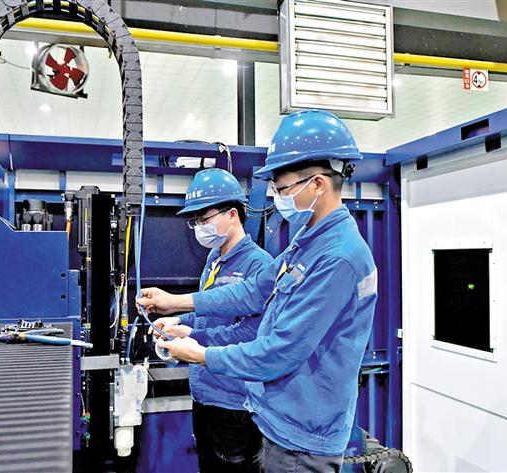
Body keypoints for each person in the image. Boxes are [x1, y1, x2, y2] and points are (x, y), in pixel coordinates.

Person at [140, 110, 378, 473]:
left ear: (317, 184)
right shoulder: (307, 241)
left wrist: (202, 354)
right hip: (276, 418)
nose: (277, 197)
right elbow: (253, 292)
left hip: (303, 435)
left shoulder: (338, 257)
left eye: (282, 189)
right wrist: (179, 309)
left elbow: (281, 351)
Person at [155, 168, 272, 473]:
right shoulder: (214, 259)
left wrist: (193, 338)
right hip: (204, 394)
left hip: (235, 402)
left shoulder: (259, 266)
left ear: (232, 215)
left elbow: (252, 334)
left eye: (204, 219)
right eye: (195, 221)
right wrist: (178, 321)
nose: (199, 228)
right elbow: (208, 310)